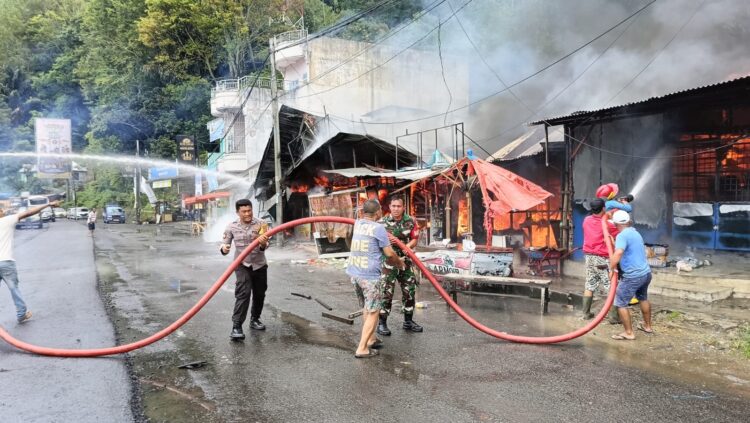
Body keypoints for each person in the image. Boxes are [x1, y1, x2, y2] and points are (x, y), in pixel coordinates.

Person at [346, 199, 404, 358]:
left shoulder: (358, 223)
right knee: (374, 311)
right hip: (369, 276)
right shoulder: (379, 228)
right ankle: (362, 348)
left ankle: (371, 339)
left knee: (367, 307)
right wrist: (399, 263)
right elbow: (389, 254)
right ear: (378, 212)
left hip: (355, 272)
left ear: (363, 212)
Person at [0, 200, 61, 323]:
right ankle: (21, 314)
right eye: (2, 210)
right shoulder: (6, 221)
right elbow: (29, 212)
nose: (4, 211)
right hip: (6, 262)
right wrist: (48, 204)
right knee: (14, 289)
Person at [221, 199, 270, 340]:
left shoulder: (262, 224)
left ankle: (255, 319)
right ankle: (236, 326)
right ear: (238, 212)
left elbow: (265, 246)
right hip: (242, 264)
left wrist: (263, 243)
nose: (248, 213)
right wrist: (224, 249)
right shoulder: (231, 227)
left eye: (249, 210)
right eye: (244, 211)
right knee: (243, 293)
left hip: (260, 264)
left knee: (260, 294)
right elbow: (224, 246)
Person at [378, 196, 423, 335]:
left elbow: (415, 239)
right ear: (389, 207)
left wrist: (407, 247)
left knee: (409, 290)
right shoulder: (382, 223)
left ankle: (408, 321)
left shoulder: (411, 221)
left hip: (405, 261)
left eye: (399, 206)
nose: (396, 209)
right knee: (386, 292)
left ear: (403, 207)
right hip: (389, 261)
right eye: (394, 206)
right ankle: (382, 323)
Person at [609, 210, 653, 341]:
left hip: (633, 276)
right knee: (643, 298)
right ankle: (647, 326)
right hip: (646, 273)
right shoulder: (635, 232)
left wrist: (611, 268)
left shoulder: (622, 236)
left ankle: (629, 333)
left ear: (616, 224)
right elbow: (628, 249)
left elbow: (618, 254)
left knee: (621, 302)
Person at [580, 198, 614, 319]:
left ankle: (585, 313)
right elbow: (618, 233)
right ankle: (614, 317)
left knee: (590, 284)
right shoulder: (608, 224)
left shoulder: (586, 220)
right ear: (604, 208)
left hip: (589, 257)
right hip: (602, 259)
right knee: (611, 286)